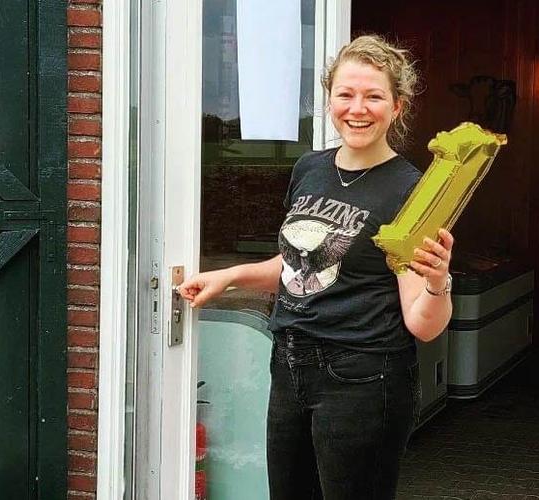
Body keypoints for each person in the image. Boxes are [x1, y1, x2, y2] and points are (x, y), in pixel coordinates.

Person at [176, 36, 452, 499]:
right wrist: (229, 277)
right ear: (329, 100)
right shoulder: (311, 168)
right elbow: (298, 265)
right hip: (290, 363)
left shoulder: (412, 191)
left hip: (363, 377)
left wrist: (438, 280)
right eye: (345, 94)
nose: (357, 108)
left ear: (397, 107)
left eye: (374, 96)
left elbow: (422, 325)